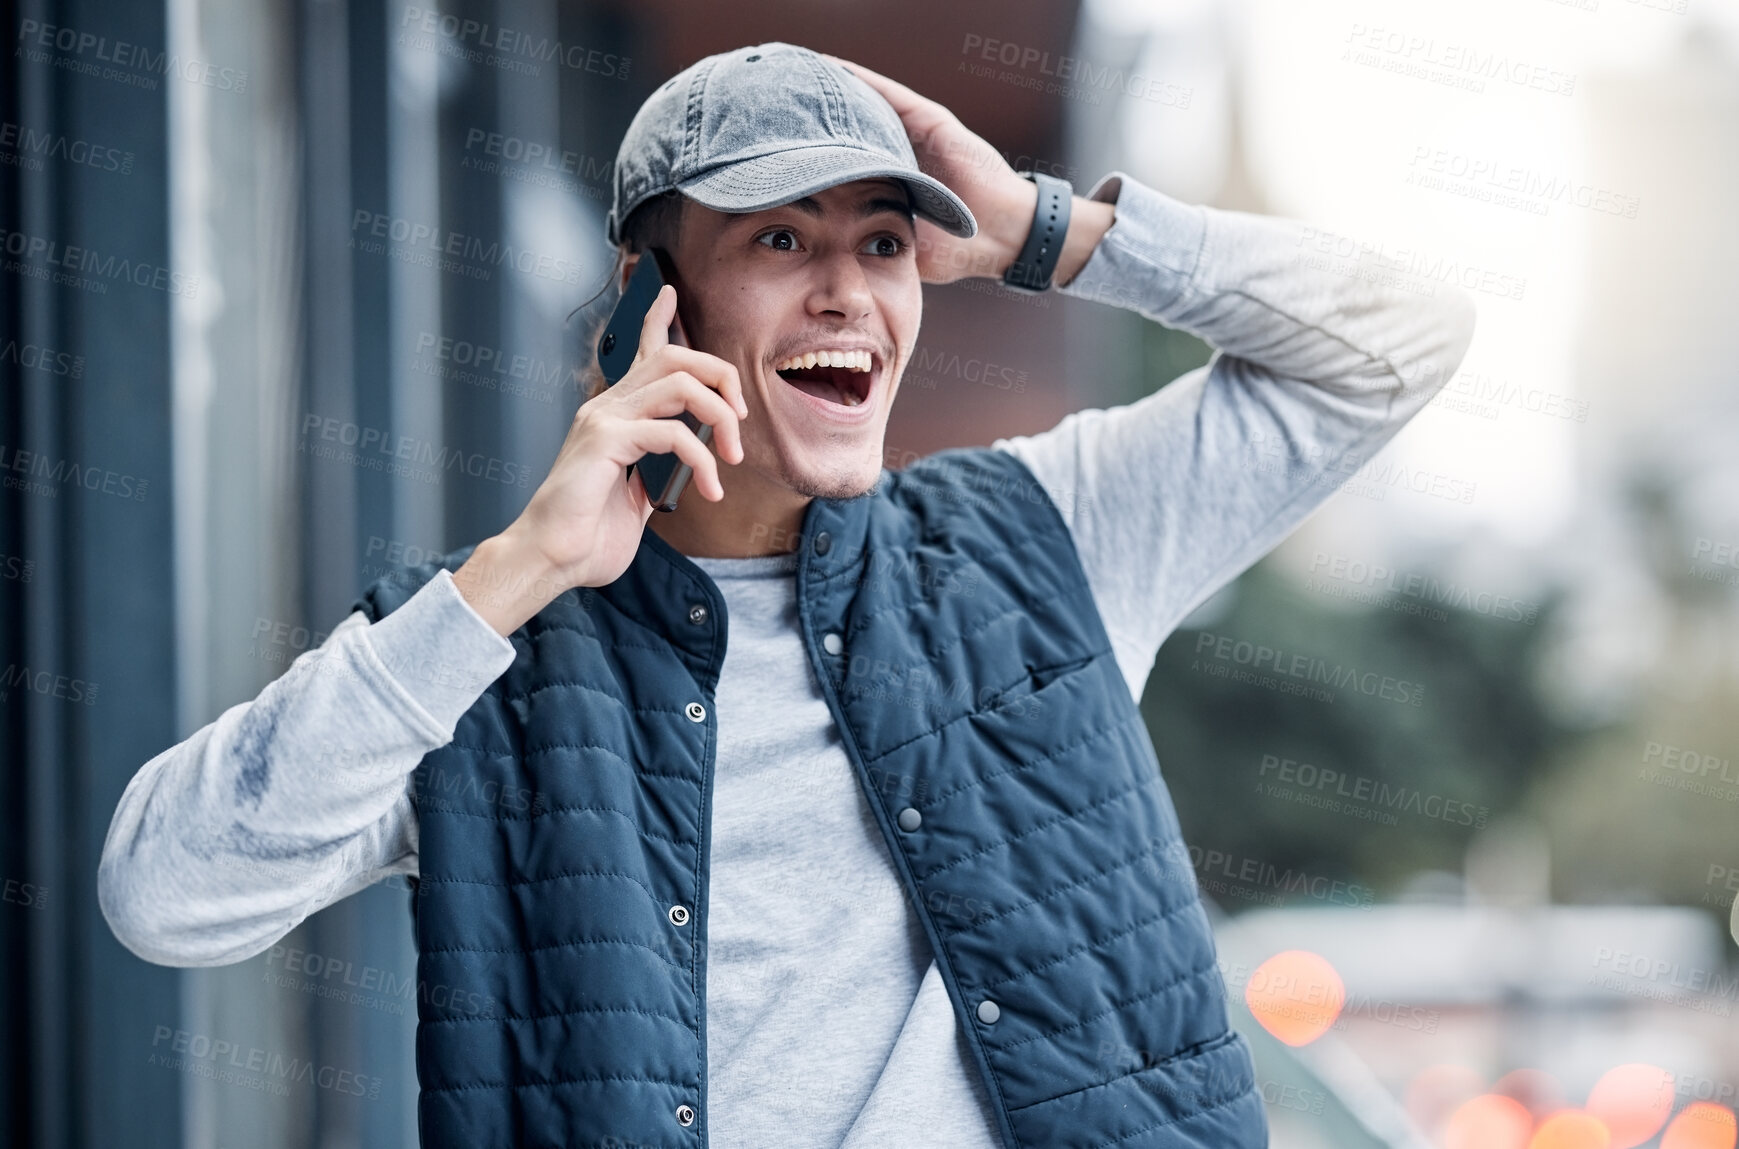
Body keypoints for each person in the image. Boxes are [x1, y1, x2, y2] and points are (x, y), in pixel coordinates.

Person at [99, 40, 1475, 1149]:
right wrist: (516, 569)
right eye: (778, 243)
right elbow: (163, 889)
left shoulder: (1051, 532)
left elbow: (1402, 344)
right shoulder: (493, 652)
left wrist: (1051, 228)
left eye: (882, 244)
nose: (847, 295)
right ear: (660, 304)